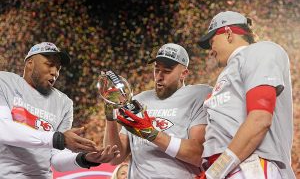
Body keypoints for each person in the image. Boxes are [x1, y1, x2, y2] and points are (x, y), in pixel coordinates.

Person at [197, 11, 295, 179]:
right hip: (229, 168)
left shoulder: (259, 51)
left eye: (212, 42)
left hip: (250, 167)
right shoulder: (230, 71)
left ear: (228, 33)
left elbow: (259, 119)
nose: (211, 51)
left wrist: (215, 172)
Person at [0, 42, 120, 178]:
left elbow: (56, 160)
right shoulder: (4, 82)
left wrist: (85, 159)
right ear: (30, 63)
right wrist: (59, 139)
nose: (55, 72)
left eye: (58, 68)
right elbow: (3, 129)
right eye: (49, 64)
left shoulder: (64, 102)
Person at [103, 43, 212, 178]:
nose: (159, 76)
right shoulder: (138, 100)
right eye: (156, 69)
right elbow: (114, 158)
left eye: (166, 71)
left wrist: (151, 134)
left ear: (184, 73)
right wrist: (110, 116)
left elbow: (199, 155)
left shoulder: (198, 95)